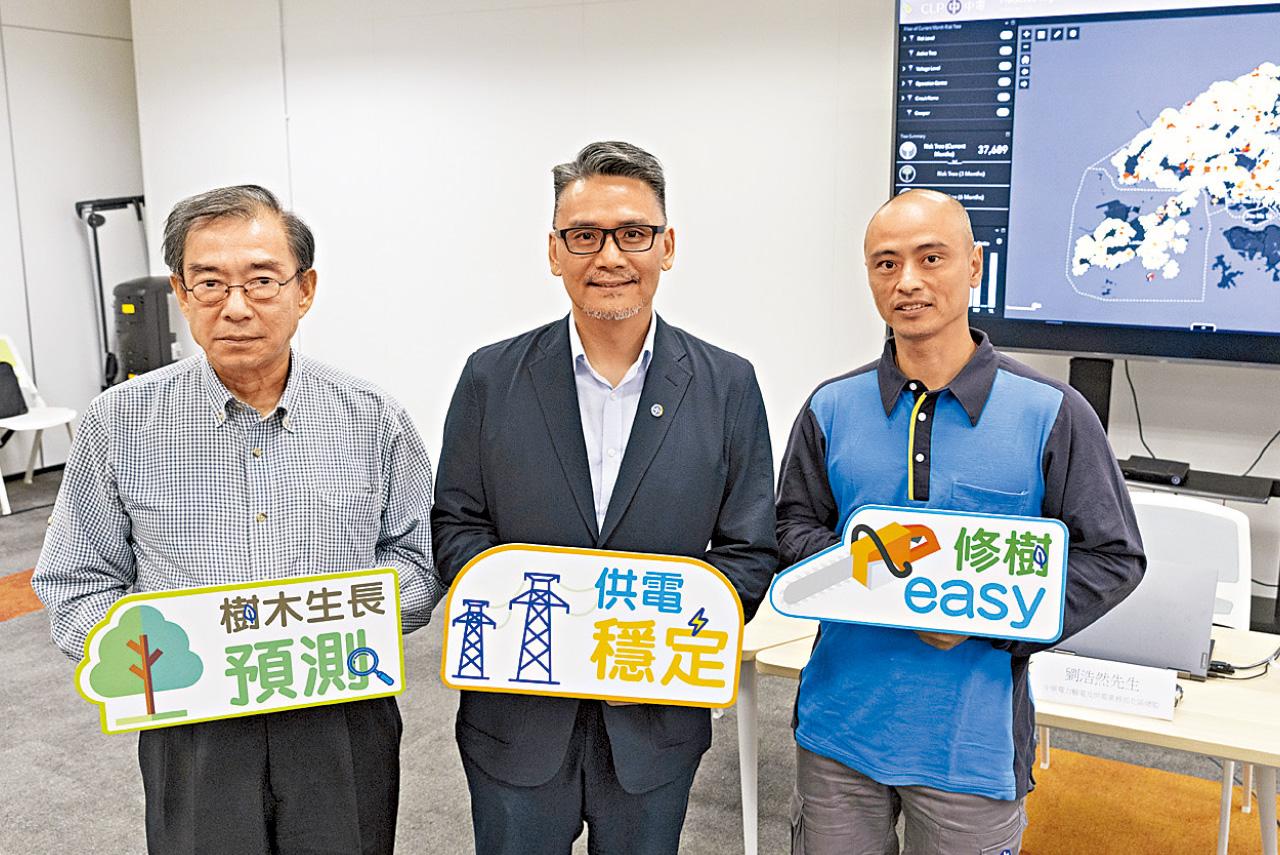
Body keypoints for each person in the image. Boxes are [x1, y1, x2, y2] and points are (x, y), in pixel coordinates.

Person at [32, 185, 441, 854]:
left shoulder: (373, 417)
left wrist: (329, 623)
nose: (237, 306)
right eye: (211, 283)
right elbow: (76, 580)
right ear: (181, 293)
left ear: (304, 289)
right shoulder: (119, 423)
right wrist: (144, 658)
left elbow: (417, 560)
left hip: (338, 709)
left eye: (262, 280)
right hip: (191, 721)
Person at [431, 140, 778, 855]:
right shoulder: (490, 377)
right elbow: (457, 525)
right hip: (516, 715)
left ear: (666, 246)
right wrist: (549, 628)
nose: (610, 256)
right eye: (585, 235)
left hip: (654, 718)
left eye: (633, 234)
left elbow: (749, 552)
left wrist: (651, 641)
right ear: (554, 251)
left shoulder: (727, 384)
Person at [776, 188, 1146, 854]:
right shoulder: (831, 407)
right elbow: (792, 526)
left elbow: (1112, 557)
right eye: (886, 263)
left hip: (973, 747)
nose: (907, 281)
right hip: (838, 731)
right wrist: (877, 581)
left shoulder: (1051, 412)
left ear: (974, 265)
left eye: (931, 257)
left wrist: (987, 619)